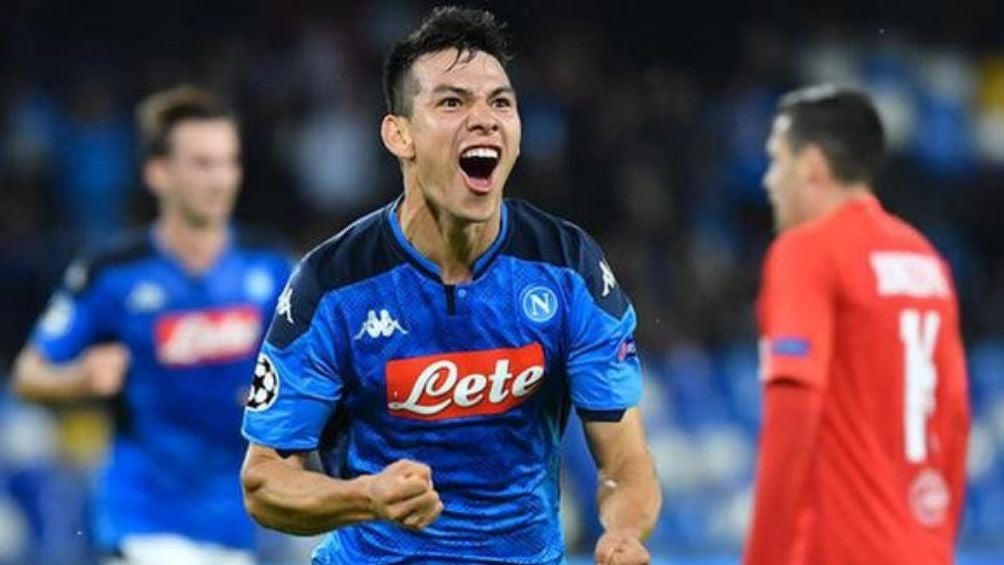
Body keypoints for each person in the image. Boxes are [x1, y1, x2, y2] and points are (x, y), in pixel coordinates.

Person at [239, 6, 661, 565]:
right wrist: (364, 498)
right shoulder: (334, 282)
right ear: (399, 135)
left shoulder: (568, 266)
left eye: (501, 102)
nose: (484, 119)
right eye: (452, 102)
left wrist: (624, 533)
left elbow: (624, 464)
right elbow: (264, 480)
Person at [12, 85, 291, 565]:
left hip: (236, 524)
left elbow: (314, 369)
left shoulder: (270, 266)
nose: (221, 179)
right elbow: (28, 375)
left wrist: (280, 398)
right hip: (142, 519)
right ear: (158, 173)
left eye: (229, 162)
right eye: (202, 164)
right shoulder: (112, 272)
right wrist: (79, 379)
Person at [744, 85, 970, 565]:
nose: (769, 181)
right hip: (925, 550)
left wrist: (763, 557)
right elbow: (954, 416)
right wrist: (936, 544)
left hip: (839, 549)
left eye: (778, 161)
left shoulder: (807, 251)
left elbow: (793, 407)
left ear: (812, 165)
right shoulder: (926, 260)